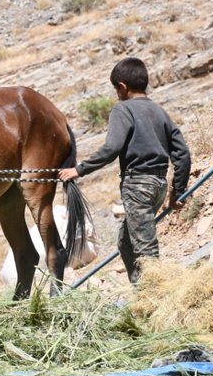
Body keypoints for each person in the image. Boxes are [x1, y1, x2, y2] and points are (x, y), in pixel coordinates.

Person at [58, 57, 191, 284]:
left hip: (137, 186)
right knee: (126, 242)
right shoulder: (159, 111)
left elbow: (112, 148)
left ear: (122, 87)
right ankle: (141, 291)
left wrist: (79, 170)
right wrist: (177, 190)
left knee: (146, 249)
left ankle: (156, 300)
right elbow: (183, 154)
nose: (116, 95)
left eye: (115, 90)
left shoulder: (123, 109)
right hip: (158, 185)